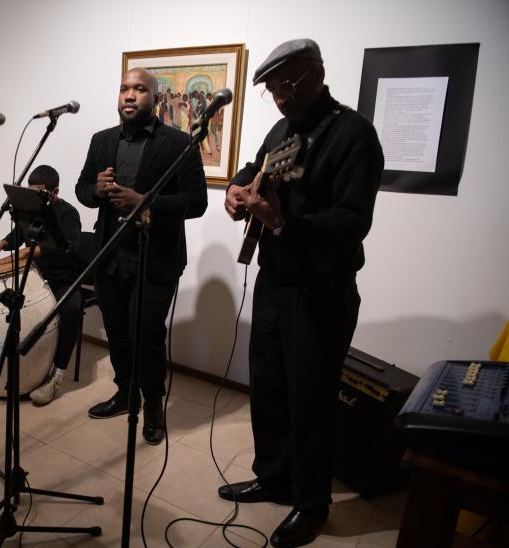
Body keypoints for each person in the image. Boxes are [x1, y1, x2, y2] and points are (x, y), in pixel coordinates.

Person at [221, 39, 383, 547]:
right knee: (268, 388)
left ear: (318, 72)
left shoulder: (354, 134)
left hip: (321, 291)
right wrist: (236, 188)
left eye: (288, 84)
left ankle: (311, 506)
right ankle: (273, 477)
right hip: (275, 280)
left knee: (310, 401)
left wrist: (285, 223)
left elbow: (353, 221)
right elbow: (254, 168)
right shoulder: (282, 128)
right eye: (273, 90)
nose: (282, 97)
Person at [75, 67, 207, 445]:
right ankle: (125, 392)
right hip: (109, 254)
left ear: (155, 98)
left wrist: (145, 202)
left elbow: (196, 201)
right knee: (117, 330)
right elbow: (82, 188)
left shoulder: (180, 142)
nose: (129, 96)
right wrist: (96, 190)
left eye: (139, 89)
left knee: (146, 335)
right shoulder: (101, 140)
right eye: (123, 89)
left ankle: (152, 405)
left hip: (156, 256)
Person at [0, 165, 82, 405]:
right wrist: (3, 243)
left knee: (71, 310)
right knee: (4, 301)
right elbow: (21, 233)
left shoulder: (69, 214)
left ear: (55, 191)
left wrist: (27, 252)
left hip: (62, 278)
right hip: (35, 276)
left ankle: (56, 376)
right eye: (31, 192)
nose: (34, 198)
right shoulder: (32, 211)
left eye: (39, 193)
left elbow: (66, 247)